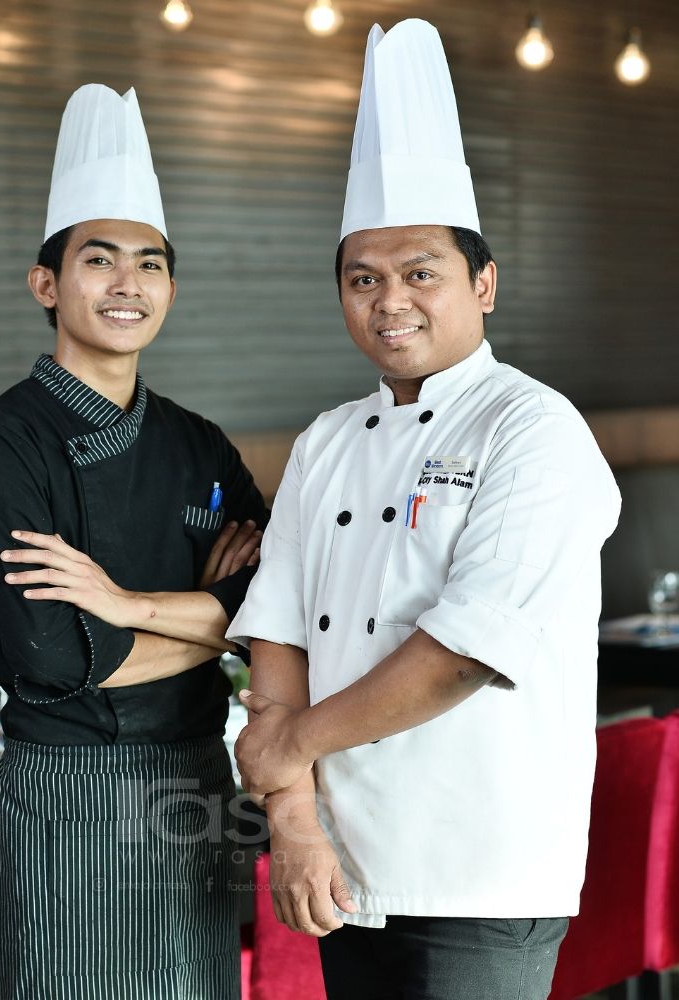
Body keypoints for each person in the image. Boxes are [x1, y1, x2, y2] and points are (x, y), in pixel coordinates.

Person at [228, 19, 621, 1000]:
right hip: (343, 864)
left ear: (481, 284)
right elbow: (277, 633)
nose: (387, 300)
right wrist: (295, 821)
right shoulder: (323, 441)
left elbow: (463, 648)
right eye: (362, 279)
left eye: (419, 274)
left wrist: (288, 748)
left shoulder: (533, 430)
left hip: (481, 866)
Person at [0, 84, 269, 999]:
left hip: (200, 779)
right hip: (76, 793)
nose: (129, 284)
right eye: (100, 260)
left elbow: (284, 605)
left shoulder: (197, 441)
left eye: (151, 263)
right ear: (47, 284)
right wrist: (217, 623)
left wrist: (129, 617)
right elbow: (49, 659)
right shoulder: (2, 447)